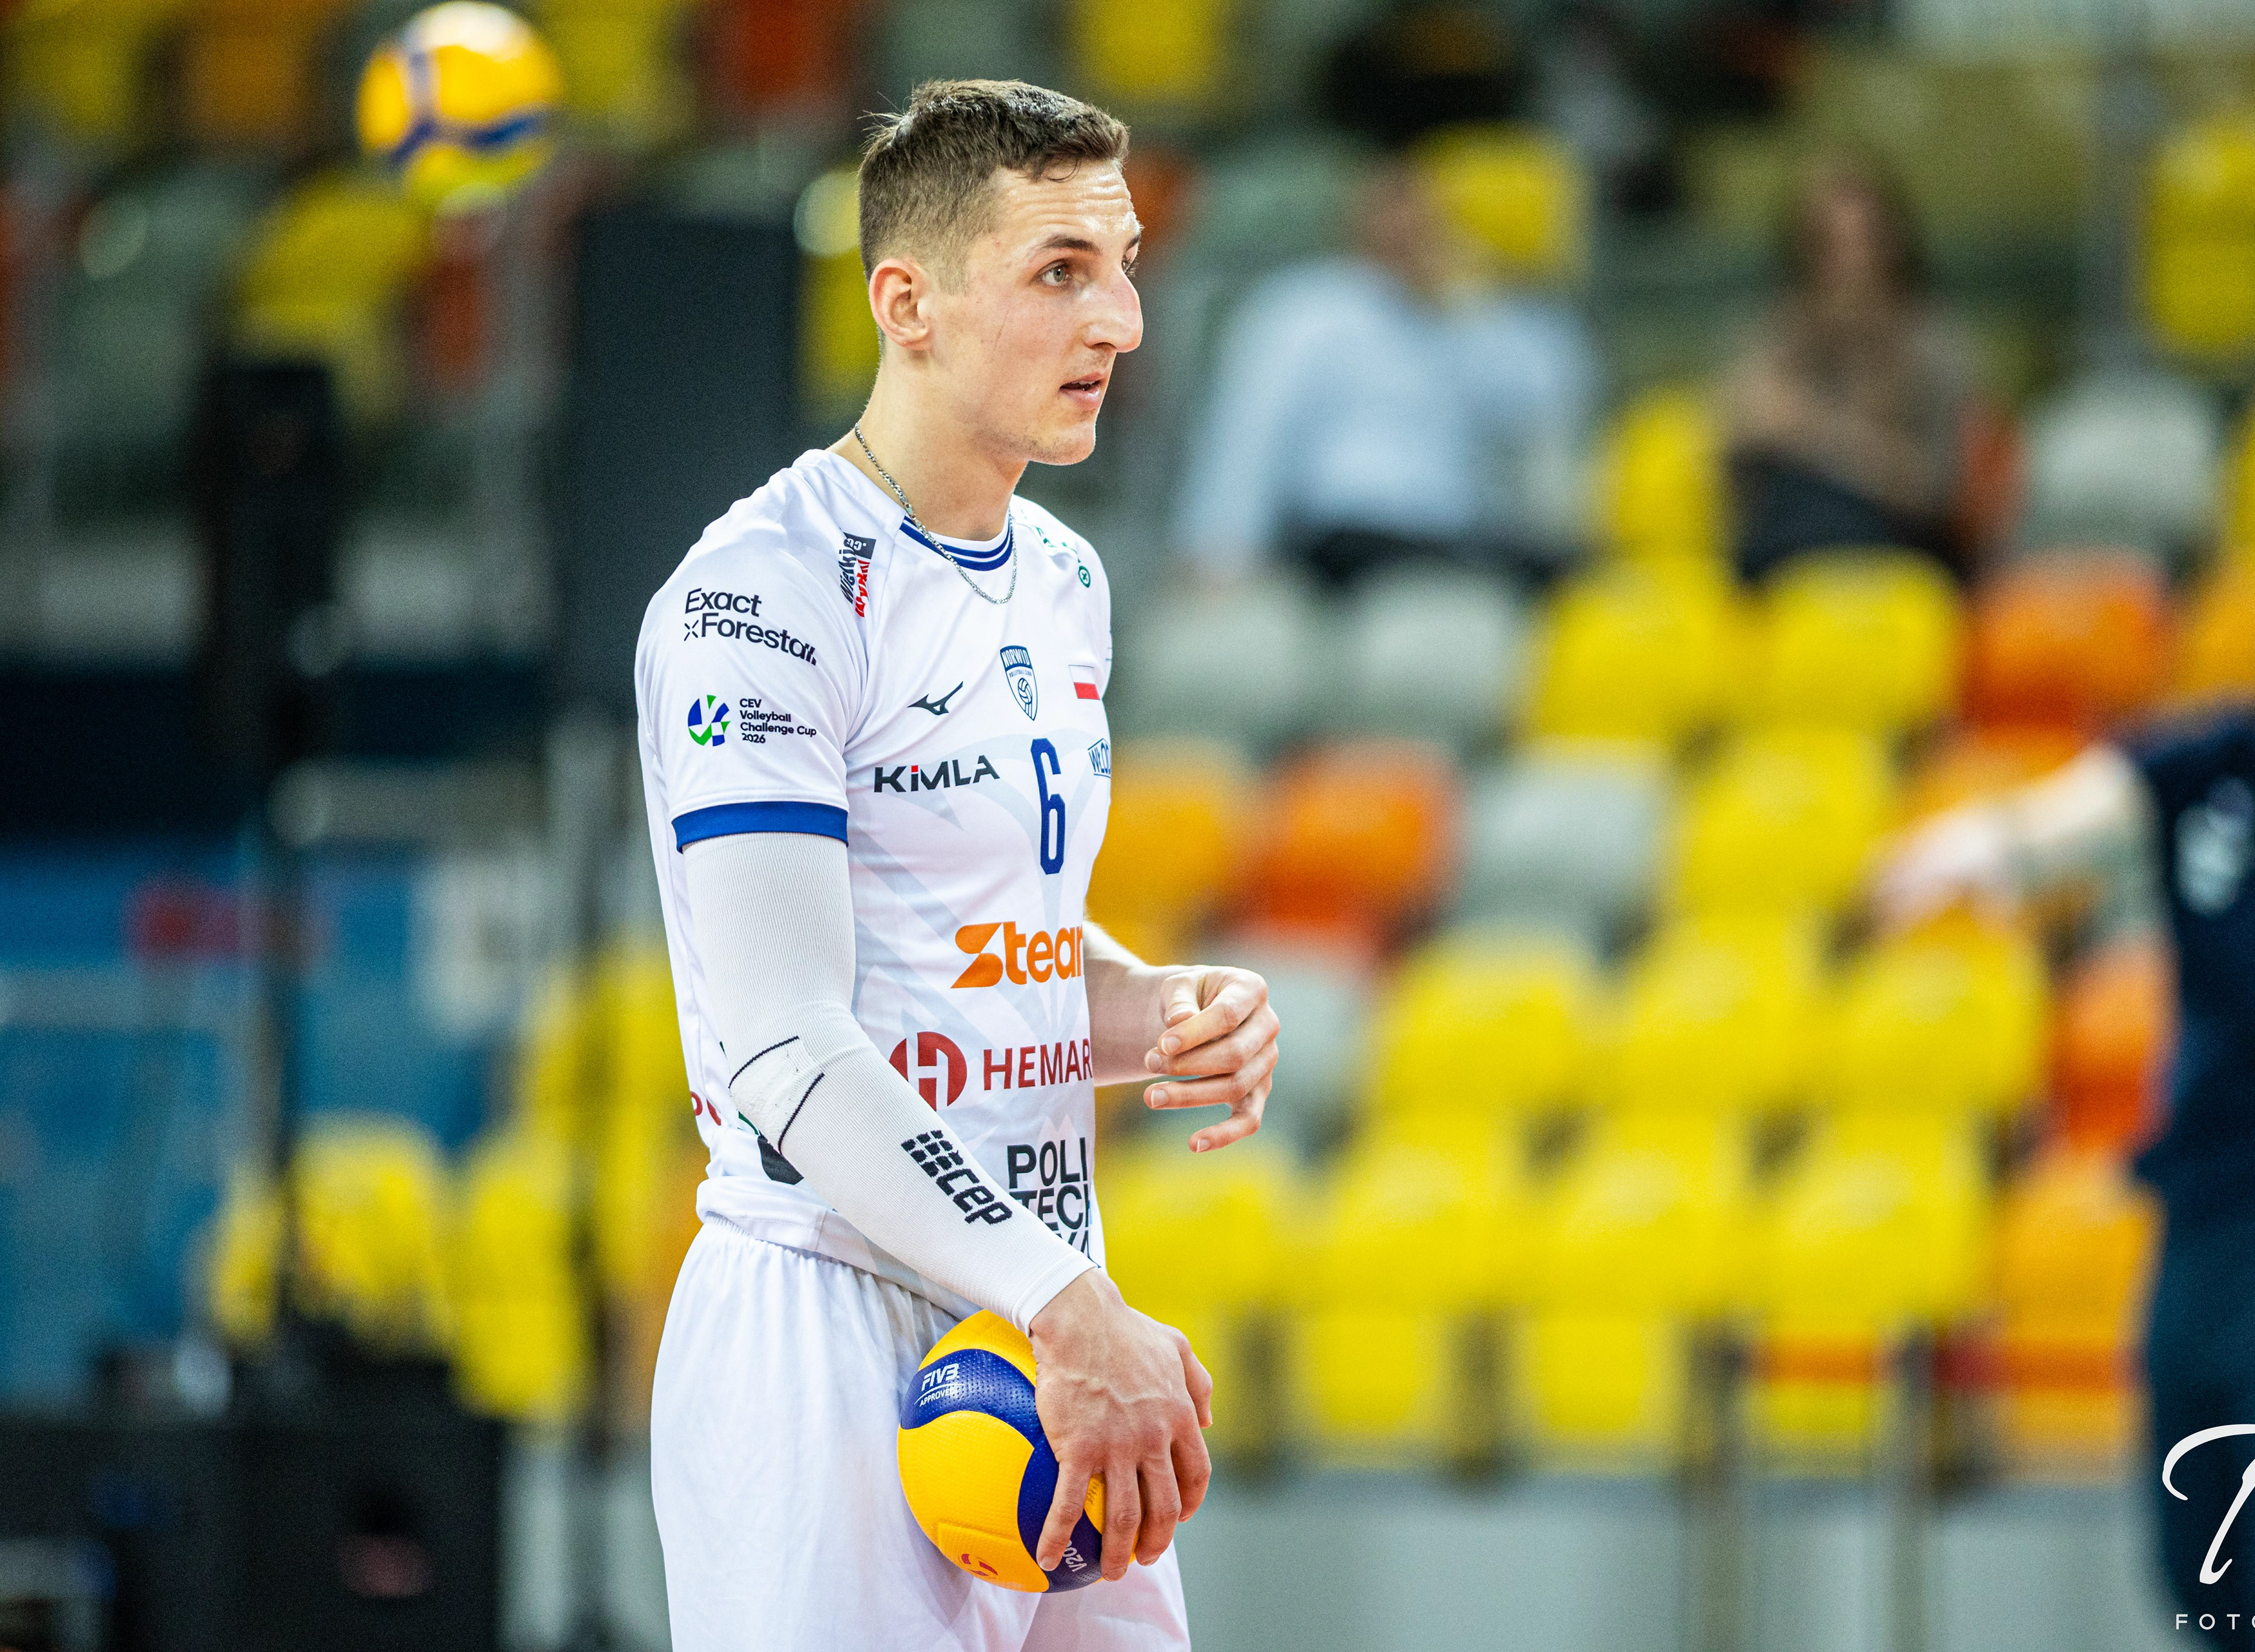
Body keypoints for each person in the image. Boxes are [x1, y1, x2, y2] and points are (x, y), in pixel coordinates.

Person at [632, 80, 1280, 1651]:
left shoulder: (1062, 575)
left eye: (1124, 267)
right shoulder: (759, 597)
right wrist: (1070, 1302)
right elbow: (790, 1042)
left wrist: (1154, 1010)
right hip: (829, 1315)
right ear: (905, 303)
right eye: (1060, 270)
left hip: (1036, 1314)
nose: (1120, 320)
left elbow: (985, 953)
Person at [1877, 507, 2255, 1651]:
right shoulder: (2213, 766)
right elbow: (2080, 811)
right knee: (2200, 1578)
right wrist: (1979, 849)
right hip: (2201, 1235)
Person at [1168, 154, 1593, 590]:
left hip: (1460, 539)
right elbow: (1252, 431)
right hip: (1344, 536)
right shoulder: (1309, 306)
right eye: (1394, 203)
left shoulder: (1486, 319)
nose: (1409, 223)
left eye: (1426, 206)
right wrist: (1218, 546)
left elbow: (1544, 416)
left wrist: (1474, 311)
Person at [1720, 156, 1981, 585]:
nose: (1850, 264)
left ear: (1893, 246)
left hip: (1892, 552)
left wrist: (1813, 431)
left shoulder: (1927, 341)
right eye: (1828, 246)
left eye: (1863, 242)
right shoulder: (1779, 332)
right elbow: (1739, 446)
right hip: (1783, 546)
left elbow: (1937, 489)